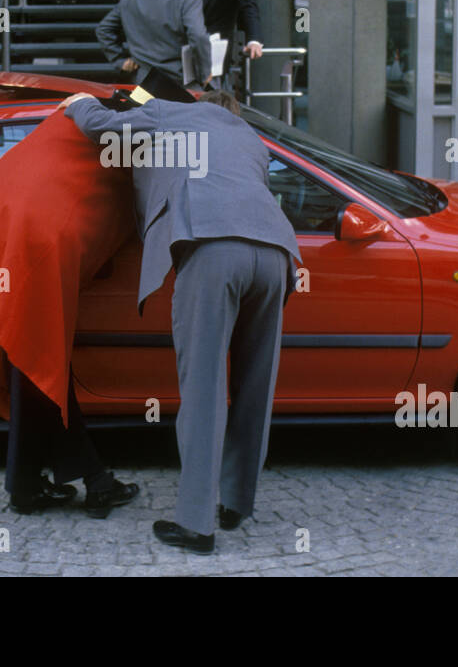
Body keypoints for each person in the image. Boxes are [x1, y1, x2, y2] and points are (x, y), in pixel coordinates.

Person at [64, 89, 301, 555]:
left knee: (204, 391)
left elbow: (102, 128)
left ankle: (195, 524)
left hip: (212, 247)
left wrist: (77, 104)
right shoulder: (251, 137)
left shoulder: (171, 112)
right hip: (275, 253)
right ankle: (236, 504)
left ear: (200, 101)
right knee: (257, 386)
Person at [0, 105, 141, 517]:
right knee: (35, 357)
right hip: (35, 236)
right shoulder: (137, 139)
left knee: (25, 356)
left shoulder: (74, 117)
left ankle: (30, 485)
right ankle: (92, 482)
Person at [96, 0, 212, 94]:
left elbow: (103, 29)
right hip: (180, 83)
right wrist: (204, 73)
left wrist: (120, 61)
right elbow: (197, 35)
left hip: (142, 84)